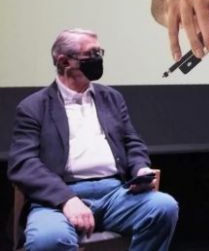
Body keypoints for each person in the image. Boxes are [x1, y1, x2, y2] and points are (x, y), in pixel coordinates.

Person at [7, 28, 179, 251]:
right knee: (48, 240)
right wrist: (66, 199)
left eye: (100, 52)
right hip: (58, 200)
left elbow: (132, 142)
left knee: (163, 207)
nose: (98, 59)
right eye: (91, 54)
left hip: (115, 195)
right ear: (64, 61)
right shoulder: (34, 107)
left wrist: (140, 169)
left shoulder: (111, 98)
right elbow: (23, 163)